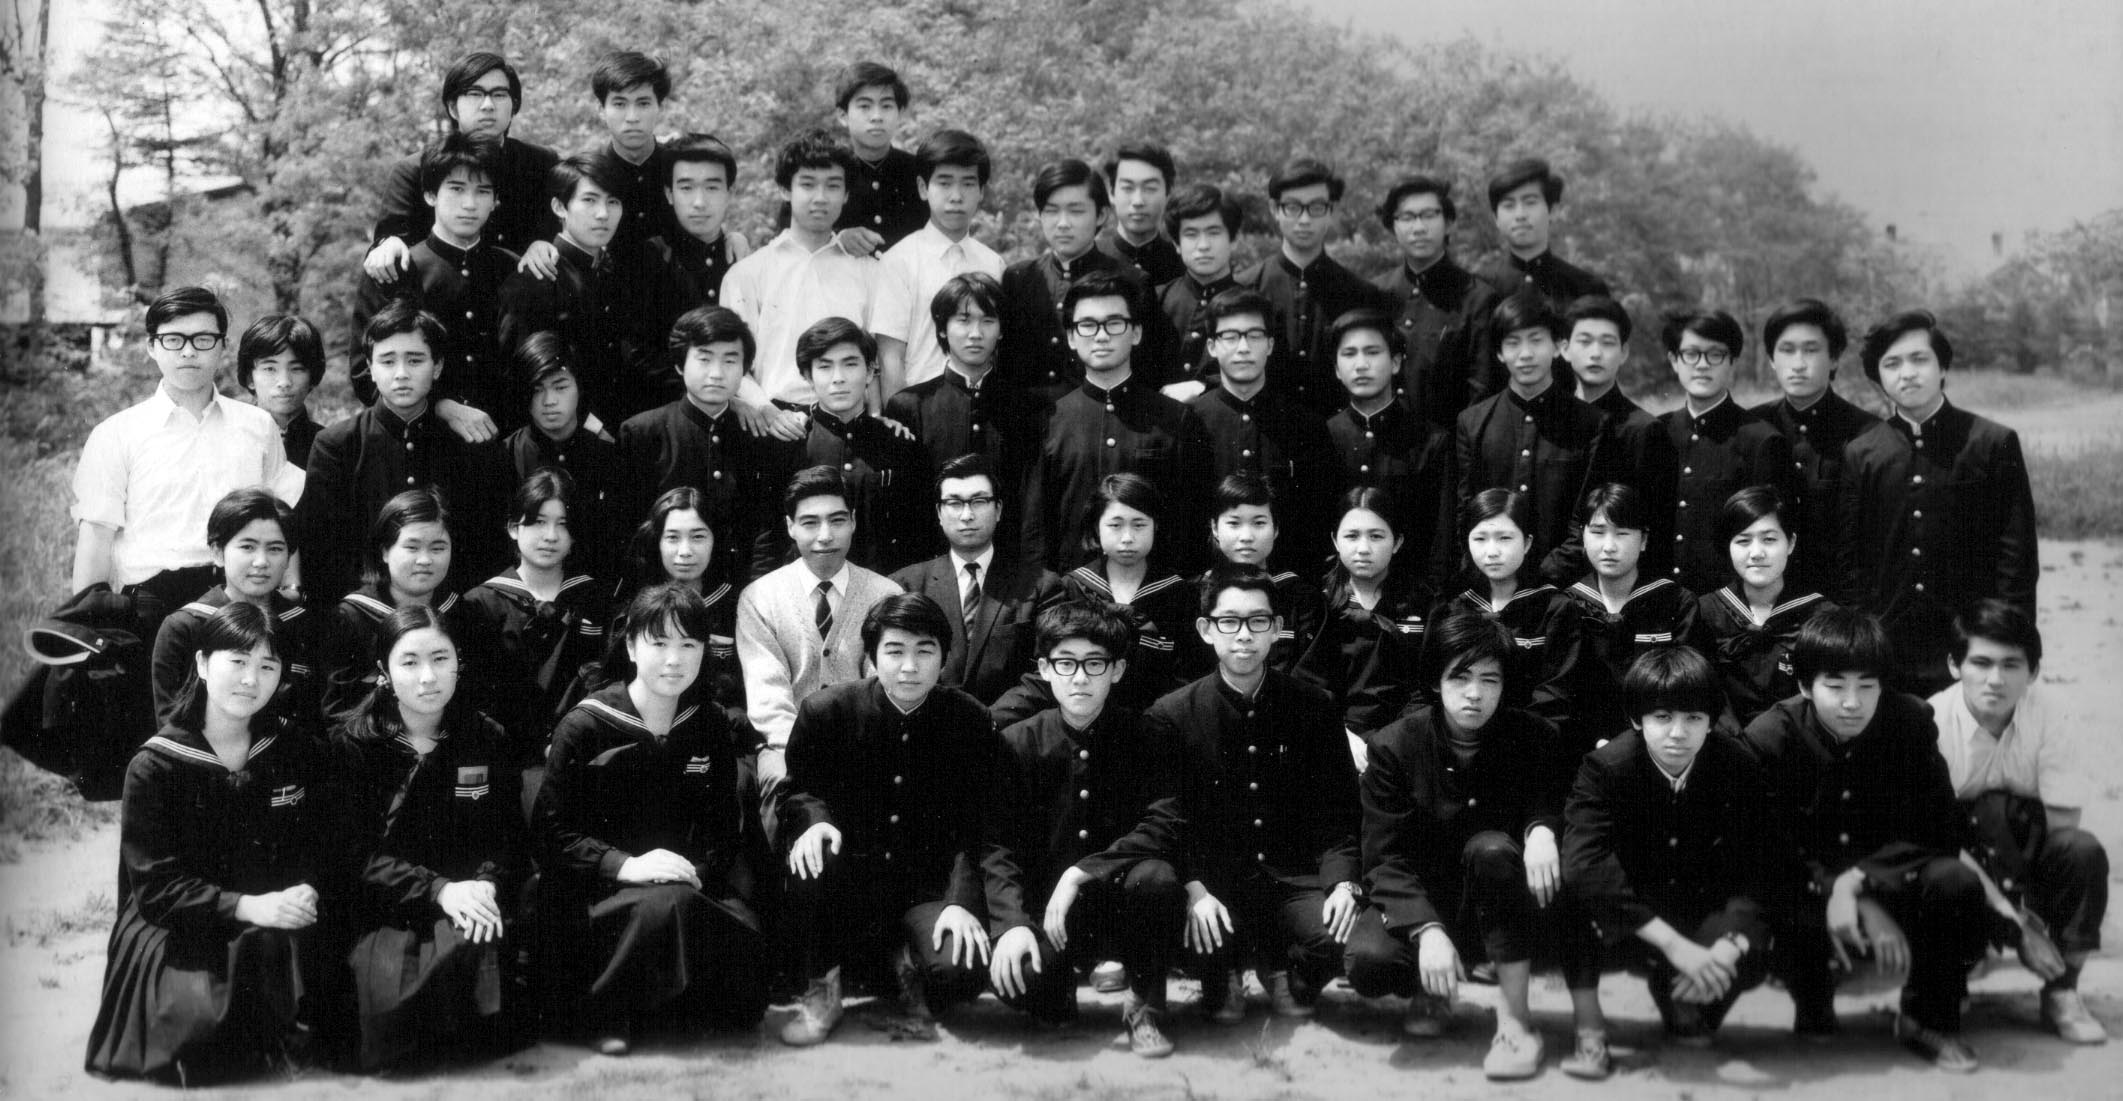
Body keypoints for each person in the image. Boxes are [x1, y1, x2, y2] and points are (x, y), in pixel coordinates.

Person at [1344, 611, 1604, 1081]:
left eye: (1489, 680)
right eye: (1459, 677)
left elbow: (1554, 803)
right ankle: (1432, 988)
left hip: (1509, 903)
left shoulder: (1535, 737)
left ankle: (1516, 1023)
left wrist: (1541, 830)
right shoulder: (1394, 747)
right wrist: (1426, 929)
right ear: (1436, 680)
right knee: (1369, 962)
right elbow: (1383, 857)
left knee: (1493, 850)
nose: (1474, 693)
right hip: (1433, 900)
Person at [1740, 608, 1995, 1071]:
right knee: (1774, 896)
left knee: (1954, 882)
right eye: (1835, 686)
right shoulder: (1769, 738)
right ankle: (1813, 993)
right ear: (1804, 686)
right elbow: (1767, 849)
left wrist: (1861, 884)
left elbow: (1941, 827)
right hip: (1805, 888)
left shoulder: (1910, 722)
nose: (1852, 703)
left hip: (1889, 880)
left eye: (1867, 686)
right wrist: (1833, 889)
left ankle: (1927, 1018)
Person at [84, 603, 326, 1082]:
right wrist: (247, 906)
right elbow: (156, 890)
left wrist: (306, 887)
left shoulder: (294, 748)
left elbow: (321, 841)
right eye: (237, 661)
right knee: (201, 1033)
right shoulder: (156, 766)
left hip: (276, 902)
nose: (251, 680)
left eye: (267, 666)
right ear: (201, 663)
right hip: (179, 919)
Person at [534, 584, 769, 1053]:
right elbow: (550, 833)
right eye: (658, 643)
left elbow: (724, 827)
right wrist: (625, 865)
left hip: (684, 882)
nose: (674, 660)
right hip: (599, 889)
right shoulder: (585, 724)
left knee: (740, 946)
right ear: (630, 646)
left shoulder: (709, 722)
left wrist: (693, 871)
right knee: (661, 910)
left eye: (689, 645)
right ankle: (607, 1013)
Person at [775, 594, 997, 1046]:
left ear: (944, 657)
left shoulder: (969, 720)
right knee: (813, 853)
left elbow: (977, 823)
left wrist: (960, 901)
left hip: (926, 887)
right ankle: (824, 987)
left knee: (961, 970)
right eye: (895, 651)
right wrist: (815, 820)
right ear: (872, 657)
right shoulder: (826, 712)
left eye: (925, 651)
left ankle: (904, 960)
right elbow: (797, 790)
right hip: (849, 881)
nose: (909, 667)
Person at [981, 602, 1186, 1055]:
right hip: (1048, 915)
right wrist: (1011, 924)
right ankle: (1057, 990)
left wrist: (1082, 872)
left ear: (1117, 670)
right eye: (1065, 663)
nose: (1079, 678)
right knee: (1029, 986)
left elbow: (1165, 820)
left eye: (1095, 664)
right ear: (1044, 669)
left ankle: (1145, 1004)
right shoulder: (1017, 743)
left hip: (1121, 904)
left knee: (1158, 880)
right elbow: (997, 844)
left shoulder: (1146, 736)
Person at [1160, 565, 1361, 1023]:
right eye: (1229, 621)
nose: (1244, 635)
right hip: (1214, 882)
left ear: (1276, 629)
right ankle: (1221, 974)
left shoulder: (1314, 706)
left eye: (1257, 621)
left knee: (1344, 932)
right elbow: (1167, 821)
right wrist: (1194, 888)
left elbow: (1338, 813)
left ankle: (1287, 972)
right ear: (1206, 630)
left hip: (1291, 877)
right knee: (1176, 913)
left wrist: (1342, 883)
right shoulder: (1172, 714)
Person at [333, 606, 525, 1072]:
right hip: (387, 903)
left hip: (470, 895)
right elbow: (352, 857)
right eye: (409, 661)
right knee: (391, 1006)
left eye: (440, 659)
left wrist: (486, 884)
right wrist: (438, 890)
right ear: (383, 671)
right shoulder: (352, 745)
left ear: (459, 662)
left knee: (480, 963)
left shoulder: (486, 736)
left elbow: (507, 836)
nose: (428, 677)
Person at [1563, 646, 1780, 1053]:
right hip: (1631, 917)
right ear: (1637, 719)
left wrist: (1729, 946)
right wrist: (1674, 947)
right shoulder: (1605, 768)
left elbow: (1762, 861)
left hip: (1699, 907)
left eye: (1693, 718)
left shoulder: (1738, 765)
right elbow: (1583, 863)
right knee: (1575, 900)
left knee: (1748, 951)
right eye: (1662, 717)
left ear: (1711, 721)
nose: (1678, 733)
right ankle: (1589, 1026)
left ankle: (1686, 998)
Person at [1931, 600, 2108, 1045]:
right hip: (1959, 852)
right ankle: (1953, 974)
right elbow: (1936, 840)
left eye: (2011, 665)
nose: (1996, 679)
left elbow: (2063, 825)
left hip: (2026, 843)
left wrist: (2033, 914)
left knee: (2082, 851)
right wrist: (2014, 924)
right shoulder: (1932, 723)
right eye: (1981, 663)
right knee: (1943, 865)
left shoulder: (2055, 713)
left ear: (2033, 672)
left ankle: (2062, 990)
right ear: (1954, 665)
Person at [1836, 310, 2037, 695]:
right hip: (1888, 648)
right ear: (1878, 377)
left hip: (1970, 643)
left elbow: (2017, 558)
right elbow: (1850, 560)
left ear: (1942, 366)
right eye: (1892, 364)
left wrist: (2009, 643)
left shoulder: (1991, 443)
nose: (1907, 373)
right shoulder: (1862, 453)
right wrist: (1862, 640)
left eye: (1919, 359)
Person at [72, 286, 298, 621]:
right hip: (151, 607)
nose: (189, 352)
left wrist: (290, 588)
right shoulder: (116, 434)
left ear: (223, 345)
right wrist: (85, 622)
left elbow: (282, 518)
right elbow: (96, 541)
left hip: (241, 603)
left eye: (203, 339)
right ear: (152, 346)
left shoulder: (258, 426)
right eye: (173, 340)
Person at [298, 301, 504, 602]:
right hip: (364, 610)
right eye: (387, 361)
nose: (401, 373)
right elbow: (322, 553)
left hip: (451, 608)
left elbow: (487, 547)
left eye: (415, 360)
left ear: (438, 367)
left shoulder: (467, 444)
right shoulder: (338, 446)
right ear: (370, 368)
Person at [1020, 270, 1210, 573]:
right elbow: (1034, 529)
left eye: (1114, 323)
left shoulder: (1174, 419)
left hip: (1155, 592)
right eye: (1087, 325)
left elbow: (1191, 524)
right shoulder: (1050, 421)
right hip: (1069, 592)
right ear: (1071, 337)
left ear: (1136, 333)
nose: (1101, 335)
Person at [736, 467, 903, 800]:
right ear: (790, 527)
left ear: (853, 521)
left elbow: (885, 688)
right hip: (786, 747)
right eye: (810, 523)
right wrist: (808, 753)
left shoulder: (886, 595)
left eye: (837, 520)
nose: (825, 536)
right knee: (783, 786)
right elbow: (768, 697)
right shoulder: (759, 597)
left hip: (867, 746)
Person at [350, 133, 520, 441]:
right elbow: (364, 372)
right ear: (430, 195)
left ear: (495, 201)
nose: (470, 204)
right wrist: (440, 405)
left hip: (505, 439)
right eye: (456, 189)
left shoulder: (512, 269)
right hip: (420, 441)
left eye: (483, 191)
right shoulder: (395, 270)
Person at [991, 474, 1195, 727]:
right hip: (1079, 723)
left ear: (1156, 526)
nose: (1128, 537)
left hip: (1158, 725)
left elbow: (1189, 674)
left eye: (1139, 525)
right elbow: (1047, 671)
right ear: (1097, 528)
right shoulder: (1072, 587)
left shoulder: (1177, 593)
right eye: (1115, 525)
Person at [495, 151, 666, 430]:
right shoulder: (537, 279)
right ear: (559, 207)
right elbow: (522, 378)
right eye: (589, 200)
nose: (603, 214)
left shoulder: (617, 273)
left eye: (613, 201)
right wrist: (593, 429)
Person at [723, 129, 878, 434]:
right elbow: (732, 360)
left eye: (833, 186)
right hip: (771, 424)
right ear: (785, 189)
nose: (820, 197)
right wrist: (765, 410)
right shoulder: (748, 273)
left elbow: (877, 362)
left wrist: (874, 418)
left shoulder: (868, 271)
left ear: (846, 194)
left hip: (851, 424)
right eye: (807, 184)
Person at [1455, 292, 1615, 585]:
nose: (1525, 354)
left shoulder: (1592, 424)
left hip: (1564, 587)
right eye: (1513, 343)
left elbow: (1591, 517)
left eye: (1536, 340)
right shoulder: (1473, 422)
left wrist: (1543, 577)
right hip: (1488, 584)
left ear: (1557, 346)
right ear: (1499, 353)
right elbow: (1465, 512)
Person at [754, 318, 930, 574]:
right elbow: (768, 537)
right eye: (825, 367)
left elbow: (917, 535)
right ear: (808, 376)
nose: (838, 378)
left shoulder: (897, 443)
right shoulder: (789, 444)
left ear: (870, 371)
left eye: (850, 364)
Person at [615, 305, 775, 584]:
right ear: (680, 365)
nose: (717, 373)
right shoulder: (643, 433)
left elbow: (767, 529)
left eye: (730, 360)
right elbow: (629, 526)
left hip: (742, 589)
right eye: (704, 359)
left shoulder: (757, 436)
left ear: (744, 369)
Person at [461, 469, 611, 768]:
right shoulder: (481, 604)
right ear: (513, 528)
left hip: (579, 753)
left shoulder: (593, 598)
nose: (551, 536)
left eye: (563, 524)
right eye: (539, 522)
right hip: (504, 758)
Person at [890, 454, 1064, 705]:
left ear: (998, 510)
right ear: (939, 512)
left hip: (1009, 724)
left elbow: (1047, 670)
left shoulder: (1042, 586)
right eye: (954, 503)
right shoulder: (905, 585)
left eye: (979, 501)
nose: (967, 515)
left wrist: (988, 720)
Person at [363, 52, 559, 271]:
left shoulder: (542, 163)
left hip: (522, 285)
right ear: (453, 108)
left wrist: (543, 244)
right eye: (475, 94)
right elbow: (387, 243)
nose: (488, 105)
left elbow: (563, 230)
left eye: (499, 94)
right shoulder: (413, 170)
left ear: (513, 106)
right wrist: (389, 243)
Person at [150, 489, 325, 728]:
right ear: (218, 552)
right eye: (247, 547)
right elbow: (172, 727)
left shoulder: (305, 624)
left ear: (288, 557)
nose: (261, 562)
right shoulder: (185, 627)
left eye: (275, 549)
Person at [1655, 310, 1795, 593]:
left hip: (1727, 603)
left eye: (1715, 354)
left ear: (1733, 361)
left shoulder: (1761, 440)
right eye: (1691, 354)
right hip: (1659, 596)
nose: (1702, 365)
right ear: (1674, 361)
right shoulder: (1657, 432)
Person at [1294, 485, 1431, 767]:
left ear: (1397, 542)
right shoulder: (1319, 603)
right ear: (1335, 540)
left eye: (1376, 536)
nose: (1363, 548)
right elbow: (1308, 686)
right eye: (1352, 536)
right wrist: (1340, 737)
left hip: (1405, 744)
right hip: (1336, 741)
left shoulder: (1423, 604)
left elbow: (1427, 685)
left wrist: (1391, 742)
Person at [1239, 157, 1388, 414]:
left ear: (1331, 210)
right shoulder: (1244, 288)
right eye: (1293, 207)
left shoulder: (1360, 294)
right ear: (1275, 209)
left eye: (1316, 207)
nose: (1305, 219)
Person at [997, 159, 1154, 404]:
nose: (1062, 223)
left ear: (1101, 215)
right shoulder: (1018, 278)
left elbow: (1148, 371)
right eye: (1051, 210)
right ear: (1040, 215)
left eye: (1076, 211)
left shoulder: (1131, 281)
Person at [1188, 288, 1335, 546]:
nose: (1243, 348)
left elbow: (1319, 515)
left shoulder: (1304, 425)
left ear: (1270, 345)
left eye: (1254, 336)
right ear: (1212, 346)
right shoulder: (1191, 421)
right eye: (1230, 337)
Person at [1749, 298, 1876, 597]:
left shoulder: (1868, 433)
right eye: (1787, 350)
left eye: (1811, 350)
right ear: (1771, 359)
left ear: (1834, 359)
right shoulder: (1751, 427)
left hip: (1839, 600)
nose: (1798, 363)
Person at [1322, 308, 1456, 588]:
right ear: (1336, 369)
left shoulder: (1430, 440)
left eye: (1372, 352)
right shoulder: (1323, 436)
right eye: (1349, 354)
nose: (1361, 365)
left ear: (1395, 362)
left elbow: (1441, 535)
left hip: (1410, 593)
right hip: (1336, 593)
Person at [1432, 489, 1581, 733]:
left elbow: (1555, 694)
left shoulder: (1555, 608)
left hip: (1530, 736)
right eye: (1480, 539)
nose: (1492, 551)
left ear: (1527, 543)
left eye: (1504, 538)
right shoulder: (1454, 607)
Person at [1562, 483, 1696, 754]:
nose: (1609, 546)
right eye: (1597, 532)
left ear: (1643, 540)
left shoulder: (1676, 602)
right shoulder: (1567, 605)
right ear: (1583, 536)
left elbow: (1688, 687)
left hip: (1658, 746)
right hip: (1584, 748)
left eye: (1622, 534)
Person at [1687, 486, 1836, 728]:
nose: (1756, 553)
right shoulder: (1703, 612)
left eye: (1769, 539)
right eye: (1743, 541)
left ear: (1791, 543)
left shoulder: (1823, 616)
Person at [873, 129, 1004, 397]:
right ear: (923, 188)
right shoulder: (898, 261)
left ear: (981, 191)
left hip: (984, 407)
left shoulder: (994, 264)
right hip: (919, 406)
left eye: (968, 184)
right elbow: (890, 357)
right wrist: (900, 415)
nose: (956, 196)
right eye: (944, 183)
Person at [320, 489, 469, 718]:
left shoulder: (461, 612)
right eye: (412, 547)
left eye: (438, 548)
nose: (425, 560)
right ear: (385, 552)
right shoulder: (352, 616)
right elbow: (337, 710)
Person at [1469, 157, 1611, 392]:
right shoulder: (1477, 288)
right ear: (1496, 218)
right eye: (1509, 205)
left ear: (1552, 210)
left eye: (1530, 202)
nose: (1520, 214)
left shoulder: (1586, 287)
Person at [883, 273, 1024, 506]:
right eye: (963, 320)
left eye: (988, 320)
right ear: (942, 329)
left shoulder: (1025, 407)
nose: (976, 333)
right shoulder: (909, 406)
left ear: (1001, 330)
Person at [605, 488, 744, 721]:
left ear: (715, 540)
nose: (685, 551)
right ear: (657, 541)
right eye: (672, 537)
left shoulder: (736, 604)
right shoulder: (636, 604)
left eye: (698, 537)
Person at [1563, 295, 1676, 575]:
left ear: (1624, 352)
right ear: (1564, 348)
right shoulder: (1550, 422)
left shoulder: (1643, 430)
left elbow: (1653, 526)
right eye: (1585, 341)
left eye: (1607, 343)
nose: (1596, 353)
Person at [501, 333, 620, 579]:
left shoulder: (609, 457)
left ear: (579, 387)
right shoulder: (504, 456)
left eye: (561, 387)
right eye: (537, 390)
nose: (549, 401)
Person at [1371, 175, 1482, 424]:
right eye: (1407, 217)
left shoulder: (1476, 297)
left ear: (1448, 223)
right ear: (1392, 227)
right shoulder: (1377, 293)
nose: (1419, 227)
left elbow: (1481, 392)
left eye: (1429, 215)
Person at [1197, 472, 1326, 676]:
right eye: (1234, 523)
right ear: (1215, 528)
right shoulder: (1193, 593)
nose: (1246, 536)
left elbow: (1310, 677)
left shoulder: (1302, 597)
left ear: (1275, 529)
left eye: (1259, 523)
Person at [828, 60, 926, 253]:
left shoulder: (920, 171)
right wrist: (837, 239)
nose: (876, 116)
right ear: (843, 116)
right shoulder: (824, 171)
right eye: (865, 106)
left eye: (886, 106)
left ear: (899, 113)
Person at [1154, 182, 1243, 390]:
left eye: (1214, 232)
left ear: (1233, 240)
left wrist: (1203, 387)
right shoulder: (1156, 300)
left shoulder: (1252, 305)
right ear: (1176, 244)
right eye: (1191, 234)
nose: (1203, 245)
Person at [655, 132, 742, 314]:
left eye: (712, 187)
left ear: (730, 193)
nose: (699, 203)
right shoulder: (652, 260)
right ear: (669, 194)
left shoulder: (743, 260)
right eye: (686, 188)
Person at [234, 314, 325, 469]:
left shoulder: (328, 446)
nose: (284, 382)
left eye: (297, 369)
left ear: (312, 376)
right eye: (270, 369)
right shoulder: (228, 439)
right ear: (250, 378)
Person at [1101, 143, 1185, 287]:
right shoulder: (1089, 260)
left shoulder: (1183, 265)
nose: (1138, 201)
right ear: (1111, 192)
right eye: (1128, 188)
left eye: (1150, 188)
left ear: (1168, 194)